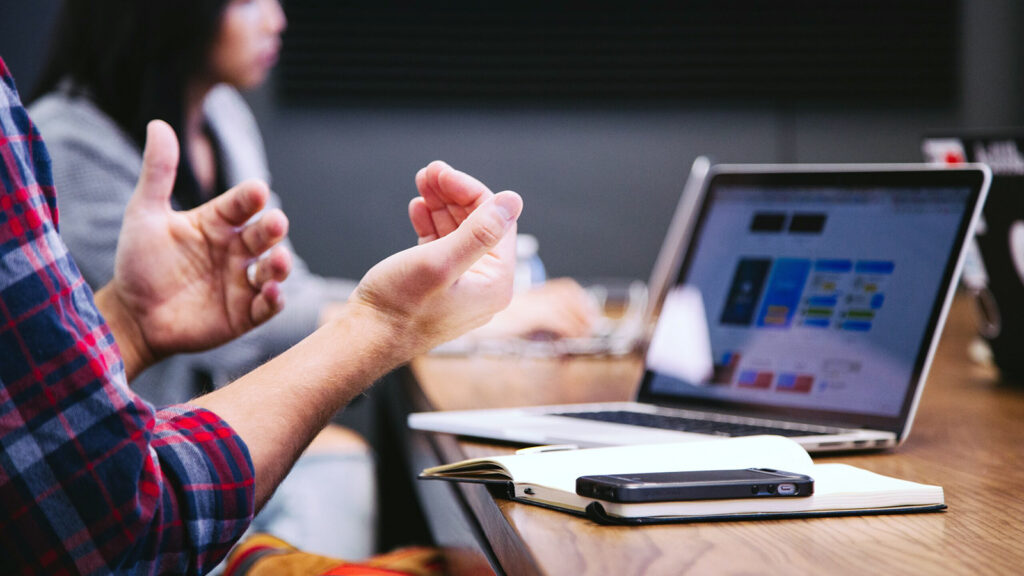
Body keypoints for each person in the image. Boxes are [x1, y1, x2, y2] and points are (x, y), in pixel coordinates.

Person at [0, 56, 523, 574]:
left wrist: (131, 324)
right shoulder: (65, 138)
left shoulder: (224, 114)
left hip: (170, 481)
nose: (275, 14)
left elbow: (30, 402)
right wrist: (385, 324)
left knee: (344, 465)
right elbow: (114, 525)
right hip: (158, 513)